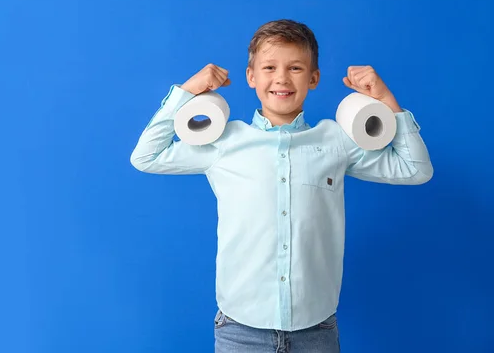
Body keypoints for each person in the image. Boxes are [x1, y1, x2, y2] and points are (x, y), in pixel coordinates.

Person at [129, 19, 433, 353]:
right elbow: (146, 156)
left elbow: (415, 169)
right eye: (269, 67)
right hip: (240, 331)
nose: (282, 79)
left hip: (315, 330)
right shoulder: (224, 141)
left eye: (296, 68)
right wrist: (187, 92)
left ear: (314, 78)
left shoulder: (336, 140)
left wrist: (386, 100)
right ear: (251, 77)